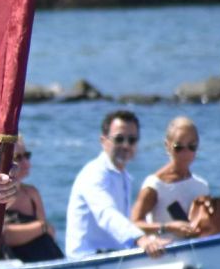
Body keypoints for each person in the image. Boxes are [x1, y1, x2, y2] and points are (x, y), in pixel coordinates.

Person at [64, 111, 170, 259]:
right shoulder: (94, 174)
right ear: (103, 141)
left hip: (112, 257)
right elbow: (106, 214)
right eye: (119, 139)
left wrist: (149, 238)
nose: (126, 145)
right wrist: (140, 239)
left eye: (132, 140)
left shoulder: (123, 176)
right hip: (87, 261)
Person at [132, 116, 207, 237]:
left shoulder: (201, 186)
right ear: (167, 146)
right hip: (165, 254)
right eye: (179, 147)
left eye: (192, 146)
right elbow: (134, 224)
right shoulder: (155, 185)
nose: (186, 153)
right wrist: (168, 228)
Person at [0, 138, 64, 262]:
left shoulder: (31, 193)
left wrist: (42, 228)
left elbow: (50, 234)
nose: (26, 163)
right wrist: (41, 227)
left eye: (27, 156)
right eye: (18, 158)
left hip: (47, 260)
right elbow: (2, 235)